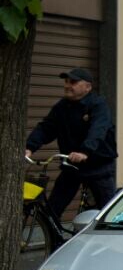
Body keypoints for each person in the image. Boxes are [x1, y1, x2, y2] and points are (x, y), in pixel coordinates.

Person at [25, 67, 118, 219]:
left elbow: (98, 129)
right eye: (66, 81)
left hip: (98, 166)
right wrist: (29, 147)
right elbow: (46, 128)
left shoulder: (98, 105)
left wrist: (85, 151)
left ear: (87, 87)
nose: (67, 85)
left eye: (73, 82)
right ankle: (54, 241)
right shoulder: (62, 107)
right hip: (72, 166)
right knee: (52, 210)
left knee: (108, 213)